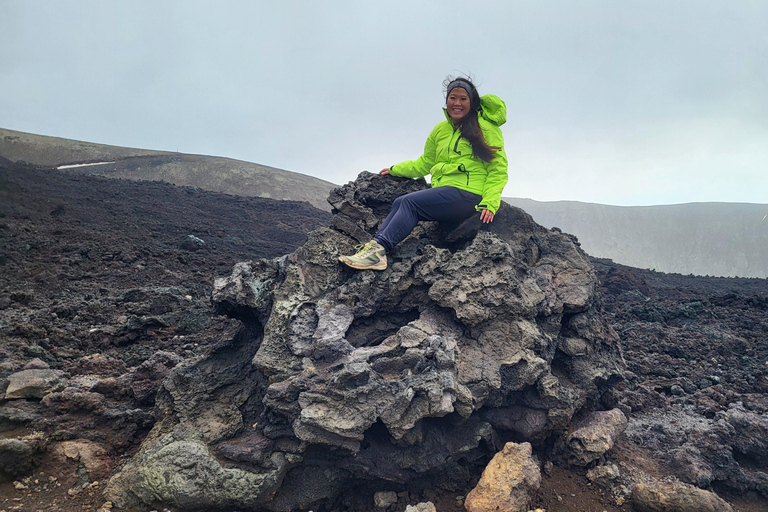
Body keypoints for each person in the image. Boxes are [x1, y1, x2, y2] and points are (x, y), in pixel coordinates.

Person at [339, 76, 508, 271]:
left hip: (471, 195)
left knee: (411, 204)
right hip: (447, 192)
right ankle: (374, 248)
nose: (457, 103)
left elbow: (498, 169)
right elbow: (426, 163)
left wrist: (490, 202)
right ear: (446, 100)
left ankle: (378, 251)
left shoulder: (485, 127)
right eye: (453, 98)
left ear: (472, 102)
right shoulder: (440, 130)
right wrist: (395, 170)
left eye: (463, 99)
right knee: (399, 202)